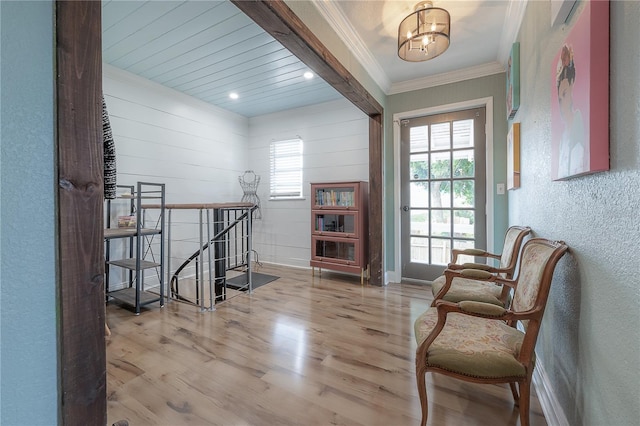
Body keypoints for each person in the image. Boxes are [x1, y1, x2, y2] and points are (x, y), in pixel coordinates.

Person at [555, 44, 586, 179]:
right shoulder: (563, 137)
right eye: (560, 99)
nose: (562, 105)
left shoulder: (579, 124)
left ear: (572, 86)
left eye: (565, 94)